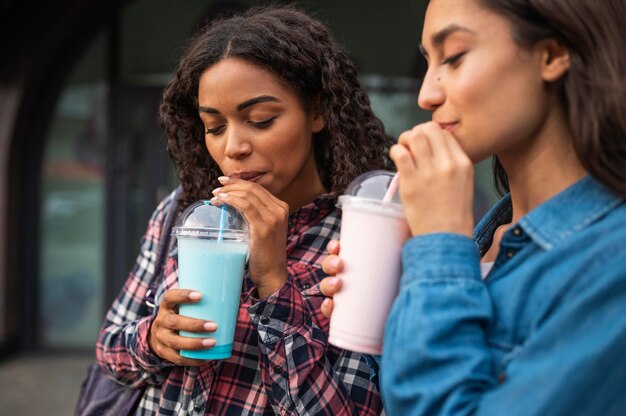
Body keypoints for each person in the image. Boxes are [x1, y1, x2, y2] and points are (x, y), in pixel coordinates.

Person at [320, 0, 626, 414]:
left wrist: (439, 248)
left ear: (551, 55)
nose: (427, 94)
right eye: (429, 62)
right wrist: (397, 288)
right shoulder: (486, 239)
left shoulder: (610, 261)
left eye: (454, 57)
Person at [96, 5, 394, 415]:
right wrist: (152, 339)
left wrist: (274, 281)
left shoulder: (361, 237)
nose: (233, 147)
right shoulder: (182, 211)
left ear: (318, 111)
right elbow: (109, 350)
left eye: (260, 119)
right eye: (215, 128)